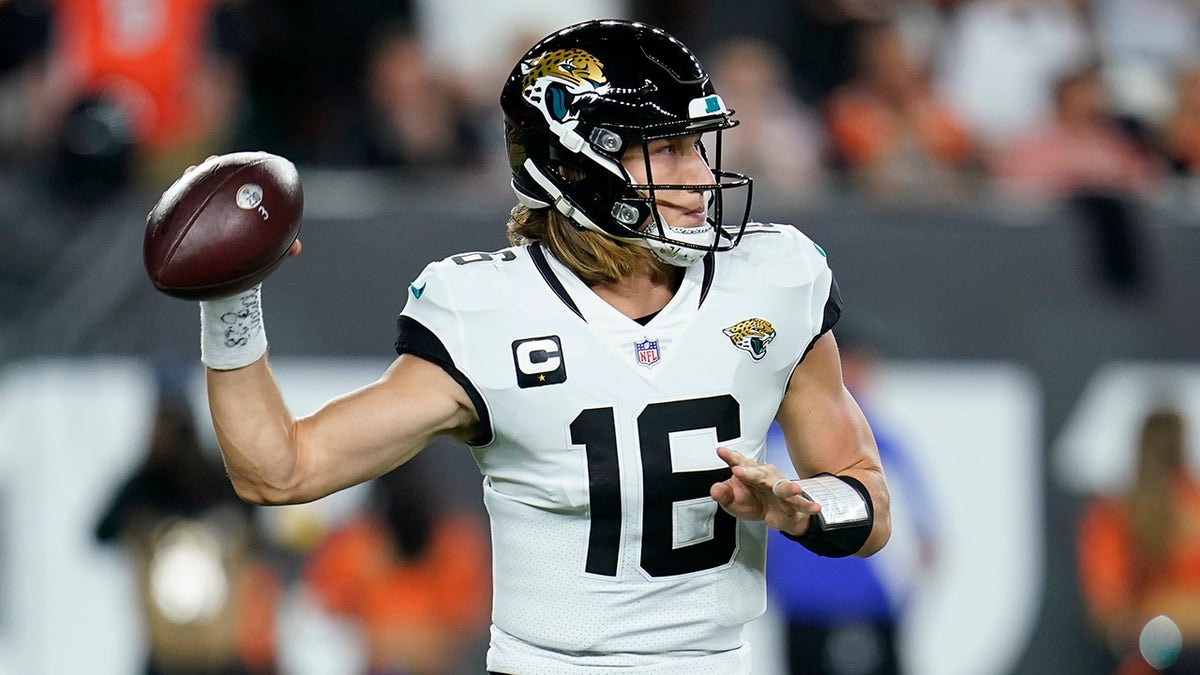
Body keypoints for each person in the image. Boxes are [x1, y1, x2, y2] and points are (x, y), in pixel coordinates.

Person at [187, 19, 891, 674]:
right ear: (579, 160)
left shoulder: (771, 280)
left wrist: (808, 509)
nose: (701, 175)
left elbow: (869, 500)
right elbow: (279, 470)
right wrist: (230, 301)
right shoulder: (487, 312)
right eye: (669, 149)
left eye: (698, 146)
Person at [94, 367, 280, 675]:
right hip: (166, 641)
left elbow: (254, 514)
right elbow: (102, 530)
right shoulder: (143, 484)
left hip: (219, 638)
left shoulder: (214, 477)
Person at [1076, 407, 1200, 675]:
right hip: (1151, 660)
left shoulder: (1193, 503)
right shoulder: (1117, 515)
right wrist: (1169, 615)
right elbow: (1110, 613)